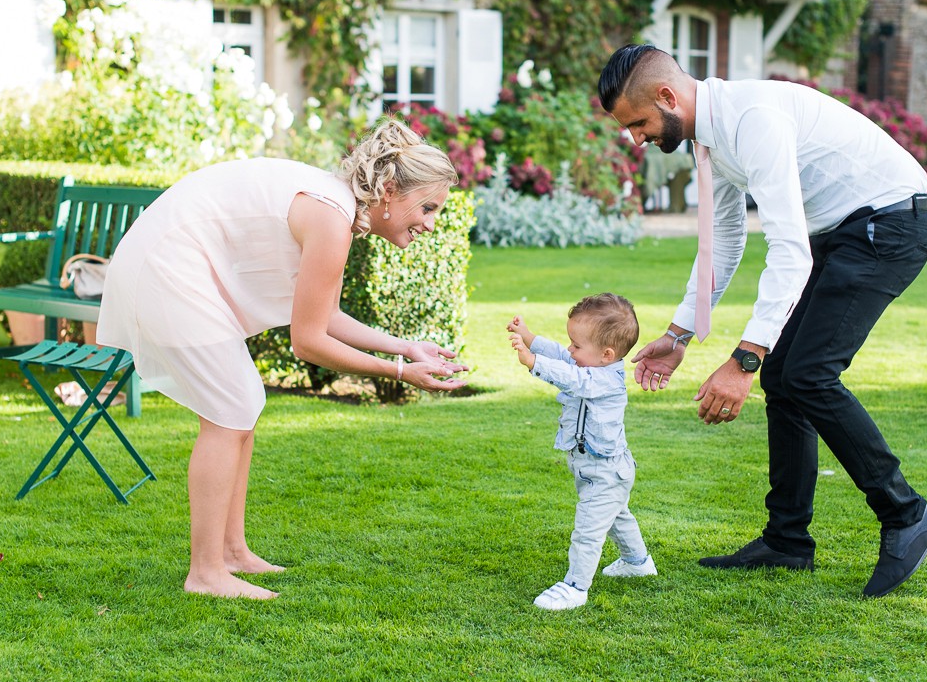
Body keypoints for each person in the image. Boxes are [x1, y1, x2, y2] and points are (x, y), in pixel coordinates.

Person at [597, 44, 927, 598]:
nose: (636, 139)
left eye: (637, 124)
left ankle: (907, 515)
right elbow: (725, 240)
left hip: (887, 225)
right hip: (841, 232)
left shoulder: (752, 119)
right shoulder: (708, 135)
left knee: (807, 374)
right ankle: (787, 541)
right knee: (787, 379)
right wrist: (680, 335)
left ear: (667, 96)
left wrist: (744, 360)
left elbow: (789, 250)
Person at [97, 118, 468, 600]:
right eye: (428, 207)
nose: (431, 223)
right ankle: (205, 573)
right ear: (391, 191)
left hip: (176, 263)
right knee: (232, 407)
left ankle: (231, 553)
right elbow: (308, 341)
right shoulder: (331, 217)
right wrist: (399, 373)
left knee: (240, 406)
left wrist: (403, 346)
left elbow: (326, 315)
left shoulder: (337, 210)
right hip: (169, 266)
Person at [507, 293, 656, 611]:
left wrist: (533, 363)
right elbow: (562, 357)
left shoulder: (605, 381)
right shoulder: (591, 364)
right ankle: (638, 562)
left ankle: (576, 587)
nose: (570, 350)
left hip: (606, 472)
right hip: (595, 467)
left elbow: (572, 378)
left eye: (577, 345)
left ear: (606, 354)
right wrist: (530, 339)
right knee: (617, 516)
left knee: (588, 529)